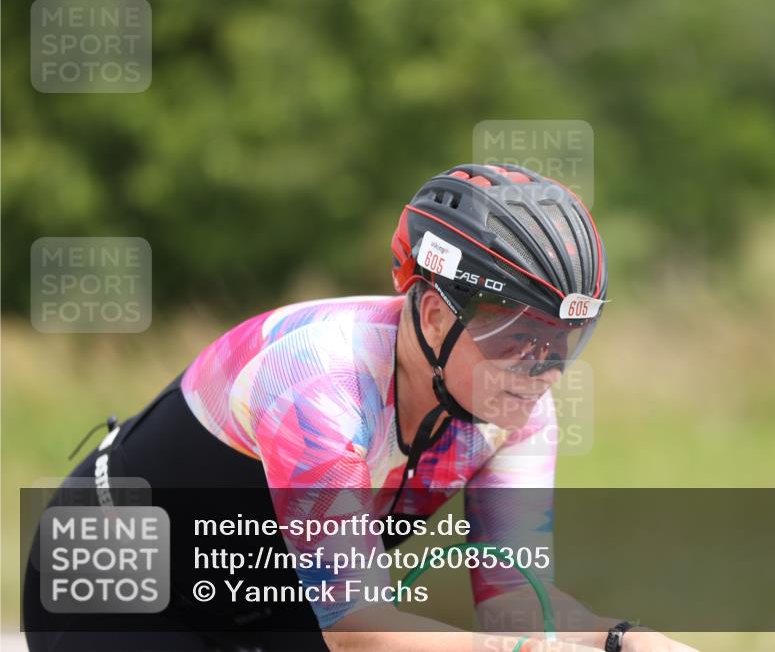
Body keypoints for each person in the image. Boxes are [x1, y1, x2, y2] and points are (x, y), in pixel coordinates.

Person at [23, 163, 698, 652]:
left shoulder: (517, 408)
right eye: (517, 335)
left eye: (562, 339)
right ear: (435, 315)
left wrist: (621, 639)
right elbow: (361, 632)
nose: (542, 368)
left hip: (265, 594)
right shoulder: (318, 379)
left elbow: (513, 601)